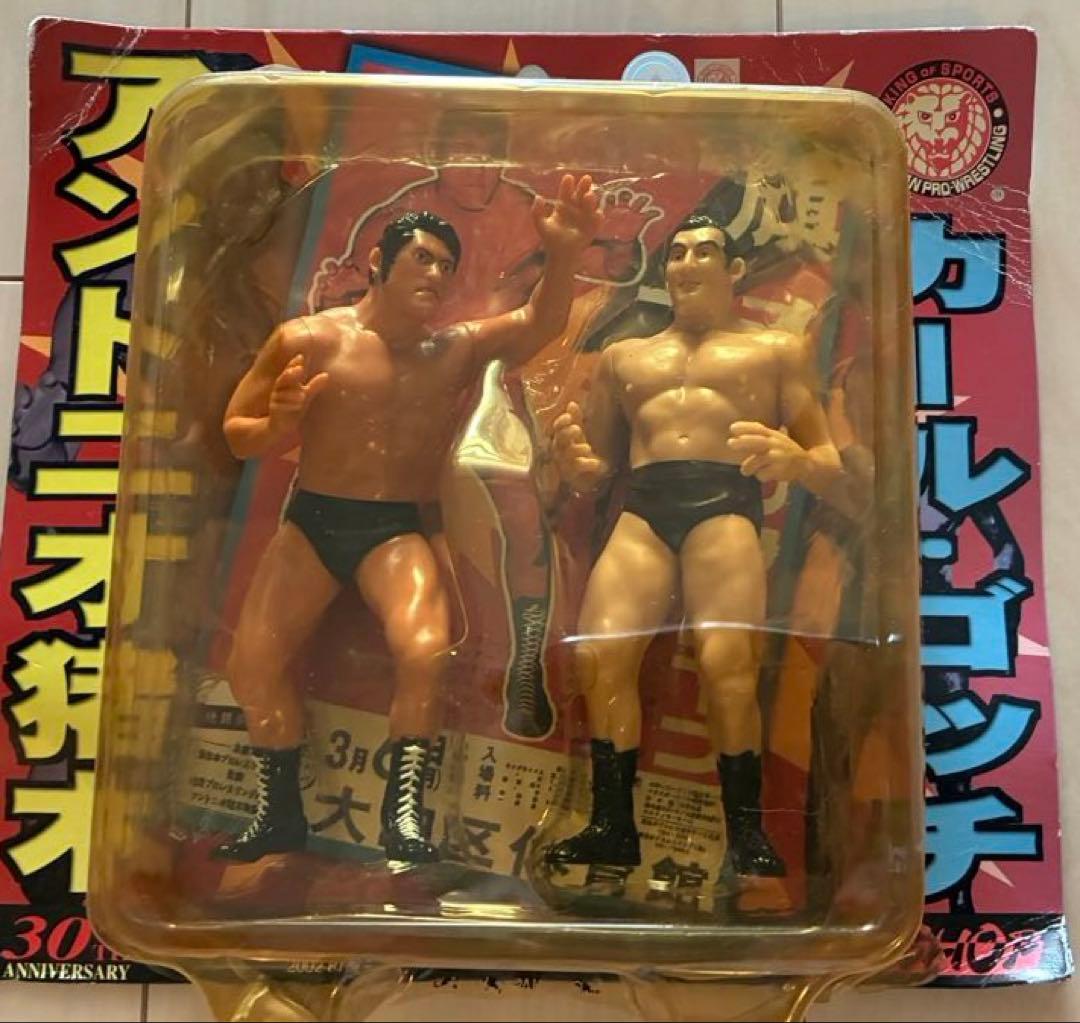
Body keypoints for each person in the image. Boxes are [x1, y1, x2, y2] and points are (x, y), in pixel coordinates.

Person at [215, 175, 601, 864]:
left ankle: (404, 818)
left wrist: (566, 252)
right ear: (377, 262)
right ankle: (279, 814)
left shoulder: (450, 349)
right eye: (422, 258)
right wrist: (277, 422)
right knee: (252, 665)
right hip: (314, 521)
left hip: (394, 527)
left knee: (426, 652)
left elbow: (538, 324)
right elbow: (238, 435)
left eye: (446, 265)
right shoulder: (308, 339)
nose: (436, 274)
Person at [545, 213, 841, 891]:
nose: (687, 262)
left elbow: (827, 459)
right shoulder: (626, 357)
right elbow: (597, 469)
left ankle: (747, 832)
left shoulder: (775, 349)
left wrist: (797, 459)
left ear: (735, 270)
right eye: (677, 252)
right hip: (644, 506)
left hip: (724, 505)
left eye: (705, 251)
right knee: (598, 655)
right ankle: (612, 823)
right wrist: (572, 461)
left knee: (727, 663)